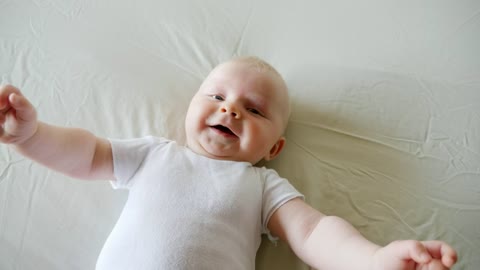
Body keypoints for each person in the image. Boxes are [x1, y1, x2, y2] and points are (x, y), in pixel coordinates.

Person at [0, 56, 457, 270]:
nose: (230, 109)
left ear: (273, 149)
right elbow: (88, 153)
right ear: (190, 108)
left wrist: (373, 260)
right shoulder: (155, 154)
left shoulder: (260, 185)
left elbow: (315, 232)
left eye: (255, 110)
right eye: (216, 96)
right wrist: (34, 136)